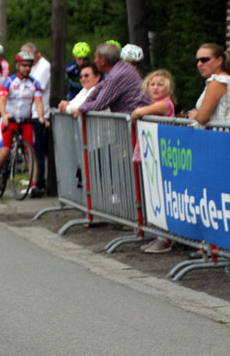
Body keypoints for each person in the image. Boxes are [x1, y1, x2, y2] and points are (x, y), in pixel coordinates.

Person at [131, 69, 177, 254]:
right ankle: (159, 235)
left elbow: (139, 112)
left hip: (160, 156)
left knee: (159, 196)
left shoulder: (165, 105)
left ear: (168, 88)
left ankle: (165, 238)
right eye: (152, 84)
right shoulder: (155, 103)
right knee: (151, 194)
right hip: (151, 155)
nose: (156, 88)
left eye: (160, 84)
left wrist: (137, 113)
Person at [0, 51, 45, 193]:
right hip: (10, 121)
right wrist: (3, 114)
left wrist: (40, 117)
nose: (27, 68)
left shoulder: (35, 83)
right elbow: (2, 100)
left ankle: (33, 185)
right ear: (17, 65)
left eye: (29, 66)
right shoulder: (9, 81)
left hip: (26, 122)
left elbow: (39, 102)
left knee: (30, 153)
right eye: (24, 66)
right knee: (5, 151)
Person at [75, 42, 149, 117]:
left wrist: (81, 109)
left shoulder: (117, 75)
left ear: (103, 61)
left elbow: (99, 104)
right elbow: (99, 88)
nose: (94, 61)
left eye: (96, 58)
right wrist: (84, 105)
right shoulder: (120, 68)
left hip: (136, 123)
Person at [21, 43, 51, 198]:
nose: (26, 60)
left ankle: (39, 183)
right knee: (30, 150)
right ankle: (33, 180)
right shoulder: (33, 67)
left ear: (36, 53)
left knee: (38, 151)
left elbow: (35, 87)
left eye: (29, 56)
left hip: (39, 114)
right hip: (30, 113)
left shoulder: (44, 67)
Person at [187, 43, 230, 126]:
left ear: (219, 61)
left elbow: (202, 118)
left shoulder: (218, 82)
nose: (199, 64)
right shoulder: (225, 79)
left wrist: (195, 115)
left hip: (220, 136)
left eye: (204, 60)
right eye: (197, 60)